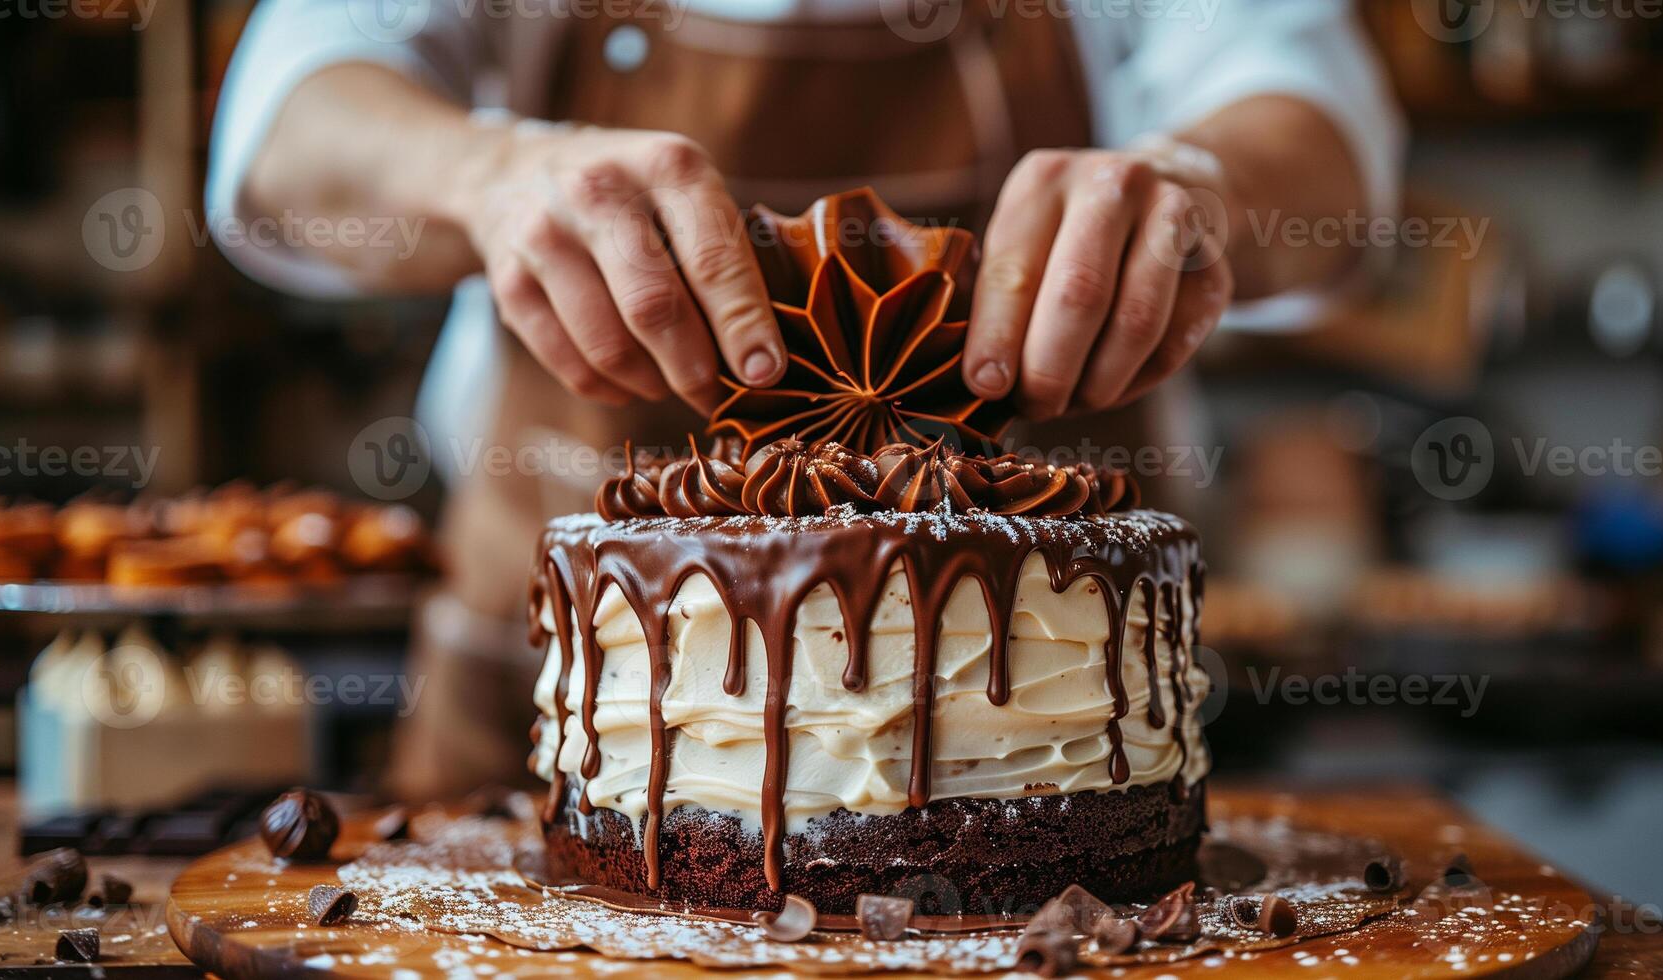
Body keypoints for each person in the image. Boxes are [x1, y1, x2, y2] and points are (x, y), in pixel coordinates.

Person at [208, 0, 1402, 798]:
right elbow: (286, 119)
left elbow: (1319, 125)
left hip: (1053, 746)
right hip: (545, 715)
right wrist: (484, 172)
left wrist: (1206, 183)